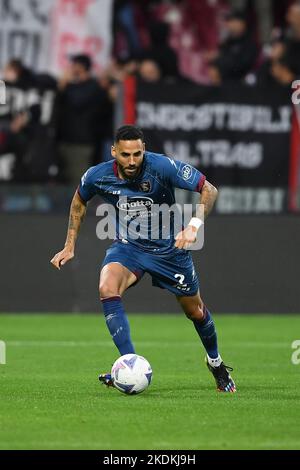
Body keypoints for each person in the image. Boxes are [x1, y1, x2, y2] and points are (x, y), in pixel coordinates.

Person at [50, 125, 236, 393]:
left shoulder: (161, 166)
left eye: (137, 154)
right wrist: (69, 246)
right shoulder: (97, 176)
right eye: (125, 155)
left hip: (170, 251)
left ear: (144, 150)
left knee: (195, 312)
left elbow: (209, 190)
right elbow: (79, 202)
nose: (132, 161)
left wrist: (193, 226)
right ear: (114, 151)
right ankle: (129, 365)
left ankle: (216, 364)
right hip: (130, 248)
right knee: (107, 288)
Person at [56, 54, 111, 184]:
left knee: (78, 183)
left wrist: (65, 86)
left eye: (74, 65)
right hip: (65, 140)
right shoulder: (72, 86)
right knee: (63, 181)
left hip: (81, 144)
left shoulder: (93, 86)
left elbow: (77, 102)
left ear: (81, 67)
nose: (70, 69)